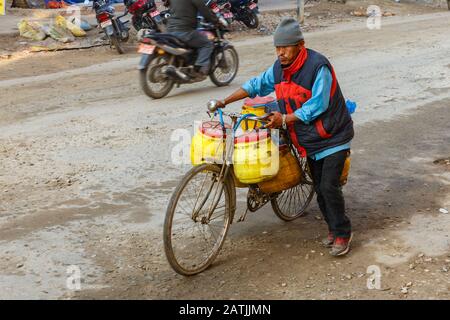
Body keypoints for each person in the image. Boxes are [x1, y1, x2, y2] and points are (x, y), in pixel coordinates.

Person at [214, 18, 355, 256]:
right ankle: (333, 228)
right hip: (309, 140)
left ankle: (343, 232)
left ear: (300, 45)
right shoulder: (279, 69)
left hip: (333, 135)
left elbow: (317, 105)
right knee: (320, 188)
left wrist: (286, 119)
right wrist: (225, 100)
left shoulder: (318, 66)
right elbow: (257, 84)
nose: (280, 53)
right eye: (277, 48)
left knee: (329, 187)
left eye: (285, 47)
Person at [166, 0, 220, 76]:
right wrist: (216, 21)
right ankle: (198, 68)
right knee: (207, 44)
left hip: (169, 30)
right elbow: (205, 11)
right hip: (185, 31)